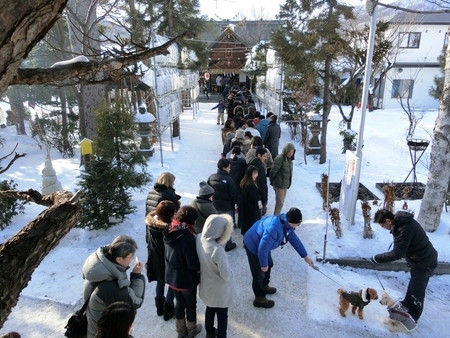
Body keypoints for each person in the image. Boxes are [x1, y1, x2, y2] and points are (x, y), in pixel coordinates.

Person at [371, 209, 438, 331]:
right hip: (419, 260)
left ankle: (412, 319)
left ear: (388, 220)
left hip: (424, 262)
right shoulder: (401, 223)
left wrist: (377, 259)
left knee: (417, 291)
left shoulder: (403, 229)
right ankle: (407, 305)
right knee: (413, 287)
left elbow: (397, 253)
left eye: (382, 225)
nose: (383, 228)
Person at [243, 207, 314, 308]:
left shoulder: (287, 225)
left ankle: (264, 286)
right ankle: (259, 299)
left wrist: (305, 257)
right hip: (253, 245)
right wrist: (263, 265)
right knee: (259, 274)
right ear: (291, 222)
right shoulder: (274, 228)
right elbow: (262, 248)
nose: (298, 226)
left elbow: (295, 240)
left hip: (262, 245)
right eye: (297, 223)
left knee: (269, 264)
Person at [82, 236, 145, 338]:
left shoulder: (100, 266)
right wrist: (137, 276)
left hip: (95, 327)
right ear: (119, 259)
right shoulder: (112, 286)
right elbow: (135, 302)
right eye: (131, 256)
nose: (133, 259)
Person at [196, 214, 237, 338]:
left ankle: (209, 332)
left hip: (206, 285)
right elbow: (226, 275)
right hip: (220, 290)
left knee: (210, 309)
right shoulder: (217, 250)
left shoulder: (199, 239)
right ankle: (221, 335)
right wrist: (232, 275)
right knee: (222, 315)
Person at [164, 206, 202, 338]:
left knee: (179, 303)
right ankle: (192, 331)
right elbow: (192, 264)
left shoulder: (171, 230)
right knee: (191, 305)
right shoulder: (188, 236)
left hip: (172, 277)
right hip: (186, 279)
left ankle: (180, 332)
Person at [145, 200, 177, 321]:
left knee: (160, 282)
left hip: (155, 259)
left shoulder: (150, 225)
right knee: (172, 285)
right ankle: (168, 308)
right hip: (167, 261)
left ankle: (159, 308)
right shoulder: (169, 230)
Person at [207, 159, 238, 251]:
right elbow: (233, 195)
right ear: (224, 168)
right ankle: (228, 244)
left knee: (216, 225)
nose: (230, 169)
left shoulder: (211, 177)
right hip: (227, 207)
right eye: (229, 167)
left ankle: (216, 243)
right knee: (228, 226)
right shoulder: (229, 180)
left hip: (215, 205)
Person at [269, 143, 295, 215]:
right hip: (279, 184)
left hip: (285, 184)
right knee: (280, 203)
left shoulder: (289, 159)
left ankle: (277, 215)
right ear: (285, 151)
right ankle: (276, 217)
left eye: (292, 152)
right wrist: (273, 181)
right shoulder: (279, 159)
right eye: (289, 152)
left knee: (281, 202)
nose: (290, 154)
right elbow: (273, 171)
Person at [240, 165, 262, 235]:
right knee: (252, 227)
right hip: (252, 210)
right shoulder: (250, 185)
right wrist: (259, 196)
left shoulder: (244, 183)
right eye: (254, 173)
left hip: (246, 209)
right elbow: (255, 197)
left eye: (257, 173)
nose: (256, 175)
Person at [247, 148, 269, 217]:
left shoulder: (250, 163)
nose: (265, 158)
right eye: (264, 156)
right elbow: (262, 184)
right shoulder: (260, 167)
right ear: (259, 155)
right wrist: (264, 199)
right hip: (258, 195)